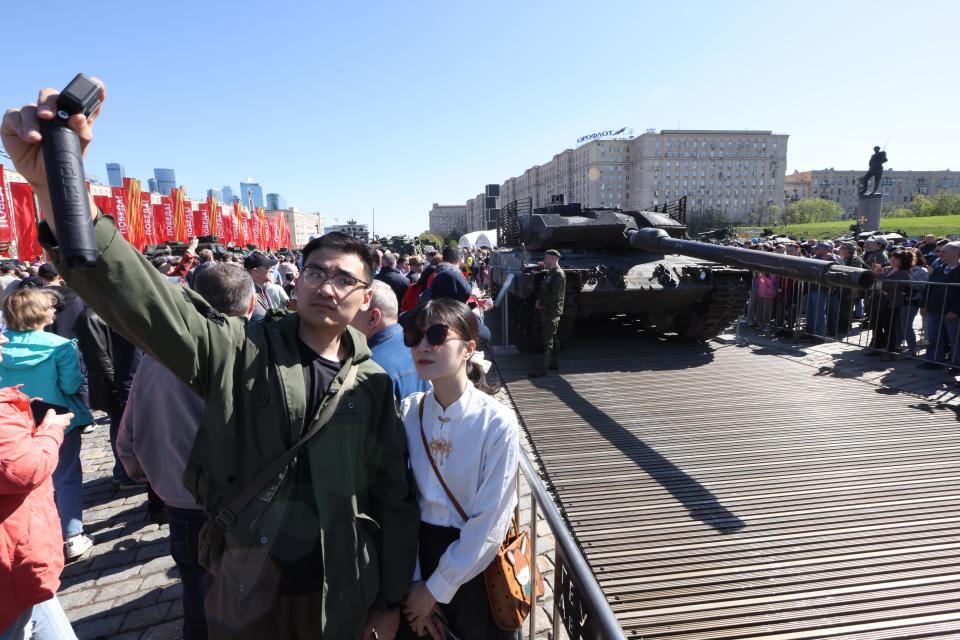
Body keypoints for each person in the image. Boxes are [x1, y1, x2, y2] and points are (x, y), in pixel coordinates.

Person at [4, 81, 419, 640]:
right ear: (295, 283)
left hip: (339, 595)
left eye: (345, 278)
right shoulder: (238, 348)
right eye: (317, 271)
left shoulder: (371, 383)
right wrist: (60, 187)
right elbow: (145, 301)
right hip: (247, 589)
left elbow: (392, 495)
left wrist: (390, 599)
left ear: (366, 299)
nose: (327, 285)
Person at [116, 263, 257, 640]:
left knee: (197, 593)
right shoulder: (258, 355)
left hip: (182, 503)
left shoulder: (155, 357)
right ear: (251, 304)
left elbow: (127, 440)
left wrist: (153, 478)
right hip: (245, 505)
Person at [398, 299, 520, 640]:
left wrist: (435, 589)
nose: (422, 345)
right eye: (414, 336)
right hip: (416, 554)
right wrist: (415, 581)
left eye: (436, 335)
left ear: (469, 348)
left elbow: (490, 518)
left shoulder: (497, 421)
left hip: (475, 568)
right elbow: (400, 499)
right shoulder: (408, 412)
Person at [0, 289, 95, 561]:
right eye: (50, 308)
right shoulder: (60, 345)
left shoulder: (2, 346)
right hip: (55, 417)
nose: (54, 312)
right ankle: (72, 535)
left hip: (14, 421)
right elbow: (71, 384)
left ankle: (39, 535)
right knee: (66, 477)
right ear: (40, 313)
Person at [0, 333, 79, 640]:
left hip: (21, 555)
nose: (3, 340)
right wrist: (49, 430)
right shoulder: (59, 344)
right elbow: (21, 469)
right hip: (11, 558)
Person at [73, 305, 142, 490]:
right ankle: (125, 474)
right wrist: (117, 389)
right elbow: (99, 359)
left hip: (119, 381)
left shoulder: (107, 312)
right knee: (122, 426)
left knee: (120, 425)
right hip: (115, 384)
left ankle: (124, 472)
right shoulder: (92, 316)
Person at [350, 280, 430, 403]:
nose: (343, 318)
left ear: (373, 318)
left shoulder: (368, 368)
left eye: (350, 310)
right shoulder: (421, 349)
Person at [919, 241, 960, 370]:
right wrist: (924, 305)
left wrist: (956, 310)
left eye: (944, 251)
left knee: (955, 339)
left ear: (956, 253)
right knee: (933, 336)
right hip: (935, 309)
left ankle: (957, 364)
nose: (940, 253)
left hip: (951, 311)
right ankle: (934, 360)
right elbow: (929, 287)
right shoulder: (939, 268)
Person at [529, 249, 566, 378]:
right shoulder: (551, 272)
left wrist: (541, 303)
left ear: (554, 259)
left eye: (547, 258)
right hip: (548, 310)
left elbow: (554, 295)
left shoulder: (558, 274)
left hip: (551, 311)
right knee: (553, 337)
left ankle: (543, 368)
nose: (544, 260)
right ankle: (554, 363)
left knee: (547, 340)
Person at [244, 251, 288, 320]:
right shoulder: (248, 295)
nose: (271, 270)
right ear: (256, 272)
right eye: (267, 267)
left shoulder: (262, 289)